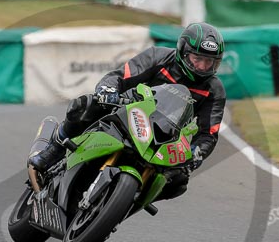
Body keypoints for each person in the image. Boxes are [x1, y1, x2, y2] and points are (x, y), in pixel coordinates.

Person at [28, 22, 226, 200]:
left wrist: (195, 154)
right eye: (197, 59)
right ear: (183, 51)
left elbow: (208, 134)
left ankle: (128, 201)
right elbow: (119, 76)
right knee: (86, 106)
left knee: (178, 181)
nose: (202, 66)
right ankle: (54, 150)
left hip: (166, 136)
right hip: (131, 112)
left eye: (210, 62)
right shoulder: (158, 57)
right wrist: (109, 91)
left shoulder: (214, 90)